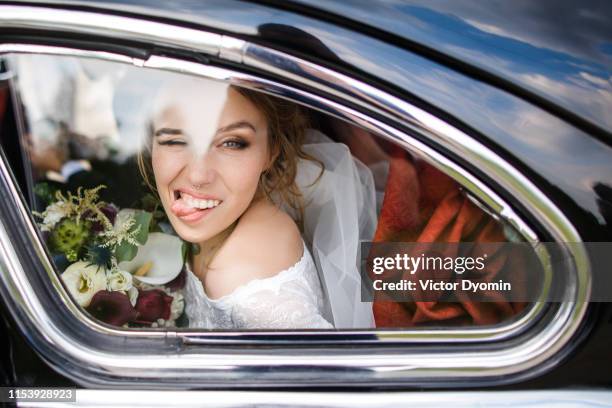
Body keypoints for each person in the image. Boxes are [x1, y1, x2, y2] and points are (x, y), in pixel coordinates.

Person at [139, 76, 377, 329]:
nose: (198, 176)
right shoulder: (247, 209)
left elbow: (325, 367)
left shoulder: (245, 282)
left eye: (232, 143)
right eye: (175, 141)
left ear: (271, 151)